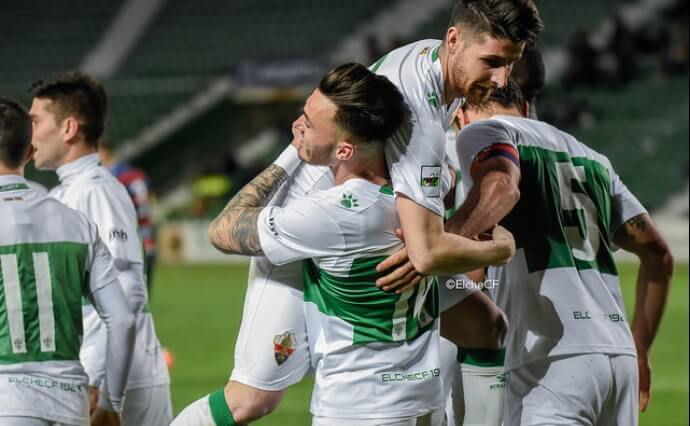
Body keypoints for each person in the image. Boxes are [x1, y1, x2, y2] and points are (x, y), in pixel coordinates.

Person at [174, 64, 514, 425]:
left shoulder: (332, 214)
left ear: (345, 150)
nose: (298, 126)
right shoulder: (420, 200)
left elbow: (223, 230)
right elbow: (473, 293)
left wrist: (291, 152)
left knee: (245, 398)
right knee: (487, 325)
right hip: (423, 405)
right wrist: (499, 248)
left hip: (355, 409)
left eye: (309, 123)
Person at [451, 81, 673, 425]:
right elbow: (659, 255)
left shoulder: (483, 135)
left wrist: (439, 255)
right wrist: (640, 347)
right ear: (526, 107)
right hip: (618, 354)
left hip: (548, 358)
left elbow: (495, 199)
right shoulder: (594, 158)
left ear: (461, 115)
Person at [29, 72, 173, 425]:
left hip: (117, 378)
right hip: (96, 376)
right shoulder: (64, 194)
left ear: (68, 128)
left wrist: (98, 380)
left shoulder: (96, 192)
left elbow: (125, 293)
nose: (28, 133)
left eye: (35, 121)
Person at [0, 96, 135, 426]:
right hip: (70, 404)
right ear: (30, 152)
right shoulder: (77, 224)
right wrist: (110, 402)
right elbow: (122, 320)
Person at [99, 140, 158, 294]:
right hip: (147, 243)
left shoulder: (111, 177)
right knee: (142, 303)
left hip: (125, 245)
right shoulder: (137, 174)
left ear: (104, 153)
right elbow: (150, 203)